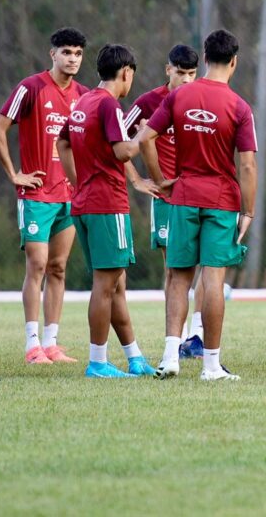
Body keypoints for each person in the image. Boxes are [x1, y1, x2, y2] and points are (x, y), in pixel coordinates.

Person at [131, 29, 258, 382]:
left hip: (183, 196)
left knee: (177, 278)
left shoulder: (179, 97)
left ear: (203, 58)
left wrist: (160, 180)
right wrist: (248, 210)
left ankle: (170, 356)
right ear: (234, 61)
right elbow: (247, 164)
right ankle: (211, 366)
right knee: (213, 280)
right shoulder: (239, 106)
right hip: (221, 200)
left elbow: (145, 140)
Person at [56, 44, 160, 378]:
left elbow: (62, 143)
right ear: (126, 73)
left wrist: (79, 181)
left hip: (85, 203)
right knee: (105, 285)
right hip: (107, 205)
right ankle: (98, 362)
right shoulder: (109, 105)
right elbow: (123, 150)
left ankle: (134, 357)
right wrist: (147, 130)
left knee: (115, 284)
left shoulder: (82, 102)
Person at [0, 28, 89, 365]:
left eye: (77, 53)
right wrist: (14, 174)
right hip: (36, 195)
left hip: (69, 195)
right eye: (66, 52)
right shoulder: (31, 88)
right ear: (52, 54)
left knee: (59, 268)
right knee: (38, 265)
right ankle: (32, 344)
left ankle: (52, 343)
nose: (72, 58)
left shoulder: (84, 96)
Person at [122, 44, 203, 358]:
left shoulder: (201, 100)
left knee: (204, 267)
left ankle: (196, 335)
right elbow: (116, 141)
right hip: (167, 199)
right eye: (180, 73)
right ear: (168, 70)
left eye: (191, 74)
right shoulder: (148, 103)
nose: (185, 80)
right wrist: (137, 179)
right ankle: (179, 340)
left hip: (200, 194)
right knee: (174, 268)